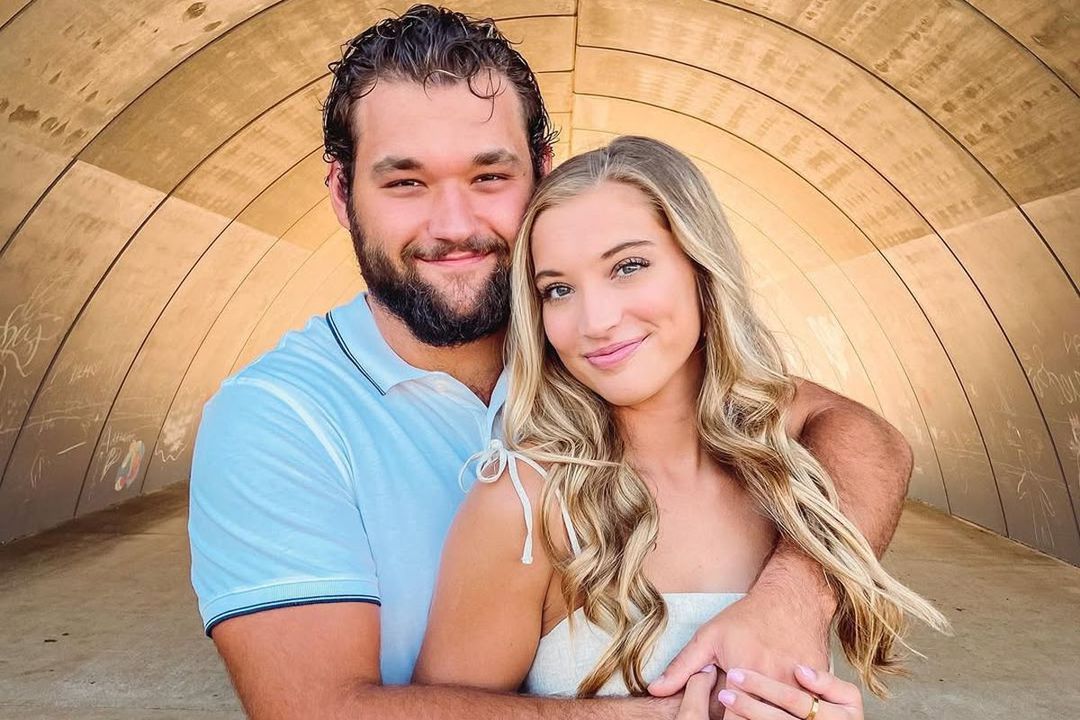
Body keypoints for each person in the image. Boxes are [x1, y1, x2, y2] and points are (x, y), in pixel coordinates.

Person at [188, 6, 920, 718]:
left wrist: (794, 601)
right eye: (405, 182)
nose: (454, 225)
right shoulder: (277, 420)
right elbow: (314, 710)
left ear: (542, 174)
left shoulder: (615, 366)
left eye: (489, 176)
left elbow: (865, 437)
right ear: (343, 193)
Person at [413, 136, 949, 718]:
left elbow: (875, 439)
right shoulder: (525, 503)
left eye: (628, 267)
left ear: (701, 267)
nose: (596, 320)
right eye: (558, 289)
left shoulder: (791, 476)